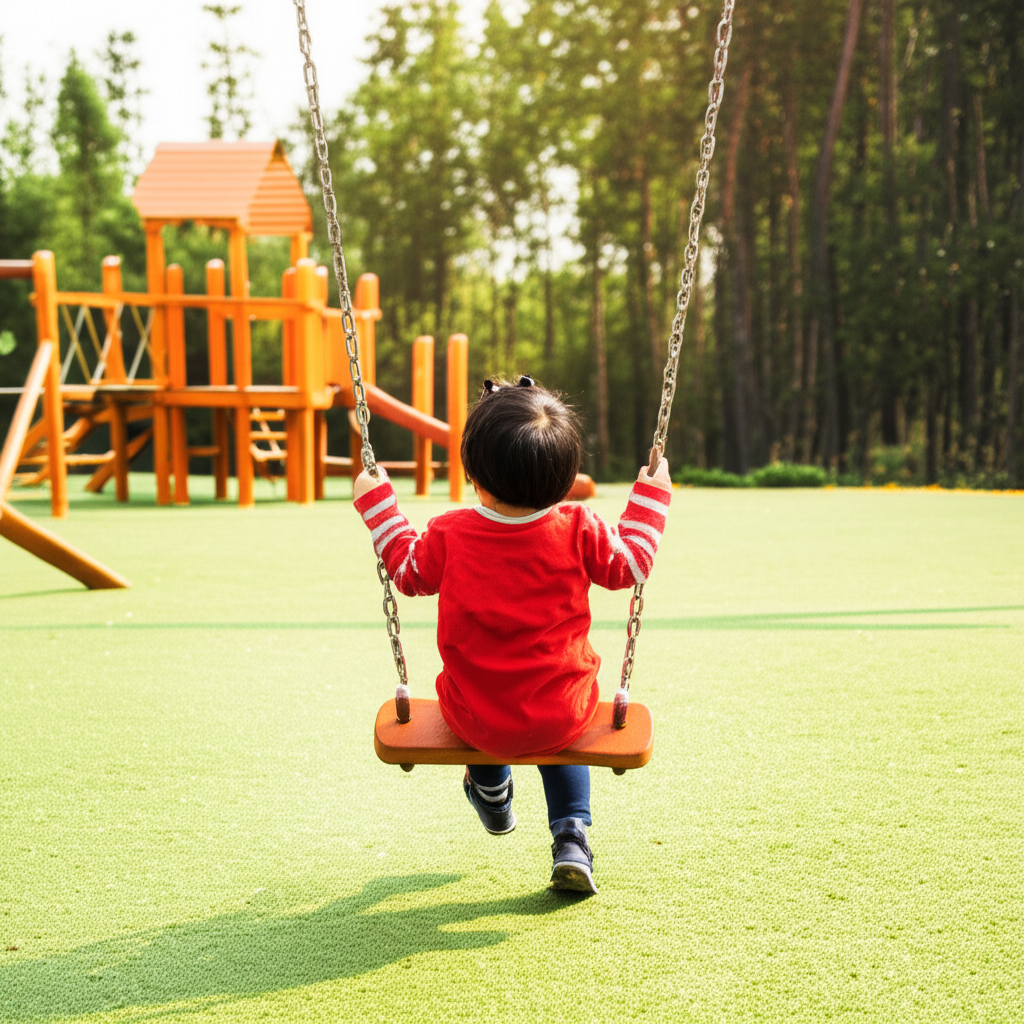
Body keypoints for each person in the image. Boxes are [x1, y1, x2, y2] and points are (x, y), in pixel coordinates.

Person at [354, 376, 672, 893]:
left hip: (474, 714)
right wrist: (653, 494)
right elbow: (632, 563)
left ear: (474, 472)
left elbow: (407, 573)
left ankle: (492, 789)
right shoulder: (579, 527)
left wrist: (378, 506)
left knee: (485, 726)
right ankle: (571, 837)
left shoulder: (449, 533)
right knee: (560, 739)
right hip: (562, 708)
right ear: (566, 478)